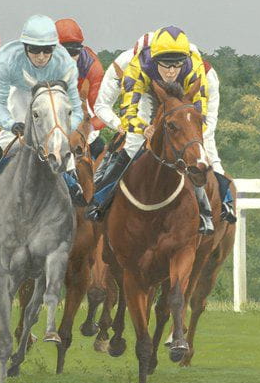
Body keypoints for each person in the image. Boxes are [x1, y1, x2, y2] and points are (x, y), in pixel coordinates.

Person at [86, 26, 235, 233]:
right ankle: (99, 202)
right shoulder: (135, 65)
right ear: (153, 59)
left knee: (205, 145)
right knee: (133, 143)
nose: (172, 71)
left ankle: (211, 209)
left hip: (190, 91)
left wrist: (191, 133)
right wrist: (142, 128)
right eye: (166, 65)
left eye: (177, 64)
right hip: (149, 88)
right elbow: (128, 111)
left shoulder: (196, 67)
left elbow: (198, 114)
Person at [0, 15, 86, 212]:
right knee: (8, 142)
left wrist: (63, 129)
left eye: (47, 50)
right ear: (25, 47)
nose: (41, 56)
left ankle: (74, 184)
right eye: (34, 50)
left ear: (54, 48)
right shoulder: (5, 60)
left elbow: (75, 108)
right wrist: (10, 123)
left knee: (60, 141)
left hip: (52, 97)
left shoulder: (65, 63)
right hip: (20, 95)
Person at [55, 17, 107, 157]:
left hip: (80, 122)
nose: (69, 59)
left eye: (74, 53)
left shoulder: (93, 68)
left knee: (98, 148)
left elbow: (102, 113)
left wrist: (85, 130)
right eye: (63, 54)